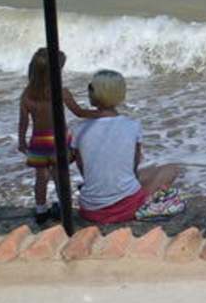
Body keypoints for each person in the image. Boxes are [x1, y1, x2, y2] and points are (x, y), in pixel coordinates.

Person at [71, 70, 185, 223]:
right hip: (126, 208)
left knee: (140, 173)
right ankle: (150, 200)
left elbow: (84, 172)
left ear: (94, 94)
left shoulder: (79, 129)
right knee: (171, 169)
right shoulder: (132, 126)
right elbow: (133, 168)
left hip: (90, 210)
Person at [17, 48, 96, 223]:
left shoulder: (27, 94)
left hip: (39, 143)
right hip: (58, 141)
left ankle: (41, 211)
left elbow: (23, 121)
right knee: (60, 177)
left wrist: (21, 141)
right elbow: (79, 112)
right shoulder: (61, 92)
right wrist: (101, 114)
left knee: (41, 178)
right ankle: (64, 207)